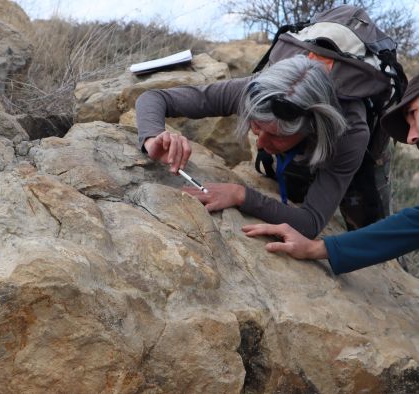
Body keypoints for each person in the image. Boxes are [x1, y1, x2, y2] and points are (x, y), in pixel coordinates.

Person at [136, 55, 390, 239]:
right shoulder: (256, 93)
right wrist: (153, 137)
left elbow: (311, 222)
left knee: (369, 227)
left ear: (311, 129)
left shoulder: (350, 135)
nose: (260, 143)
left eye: (276, 136)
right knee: (291, 182)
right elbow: (154, 97)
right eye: (256, 127)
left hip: (348, 145)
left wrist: (241, 195)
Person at [241, 75, 419, 274]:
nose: (411, 137)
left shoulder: (352, 134)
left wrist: (241, 195)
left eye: (413, 113)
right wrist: (316, 248)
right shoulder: (268, 92)